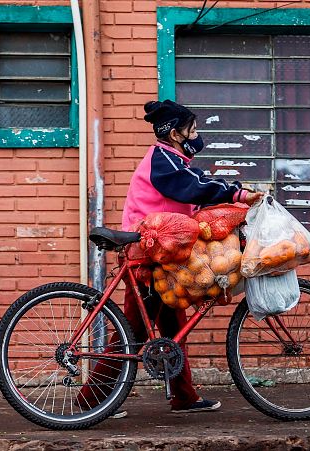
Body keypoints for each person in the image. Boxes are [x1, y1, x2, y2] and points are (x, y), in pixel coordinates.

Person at [122, 99, 263, 413]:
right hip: (145, 253)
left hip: (163, 255)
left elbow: (192, 189)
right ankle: (94, 398)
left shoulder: (172, 159)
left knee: (174, 329)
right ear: (175, 133)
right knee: (130, 333)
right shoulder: (163, 160)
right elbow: (191, 186)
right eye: (193, 129)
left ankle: (184, 397)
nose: (197, 135)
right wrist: (236, 193)